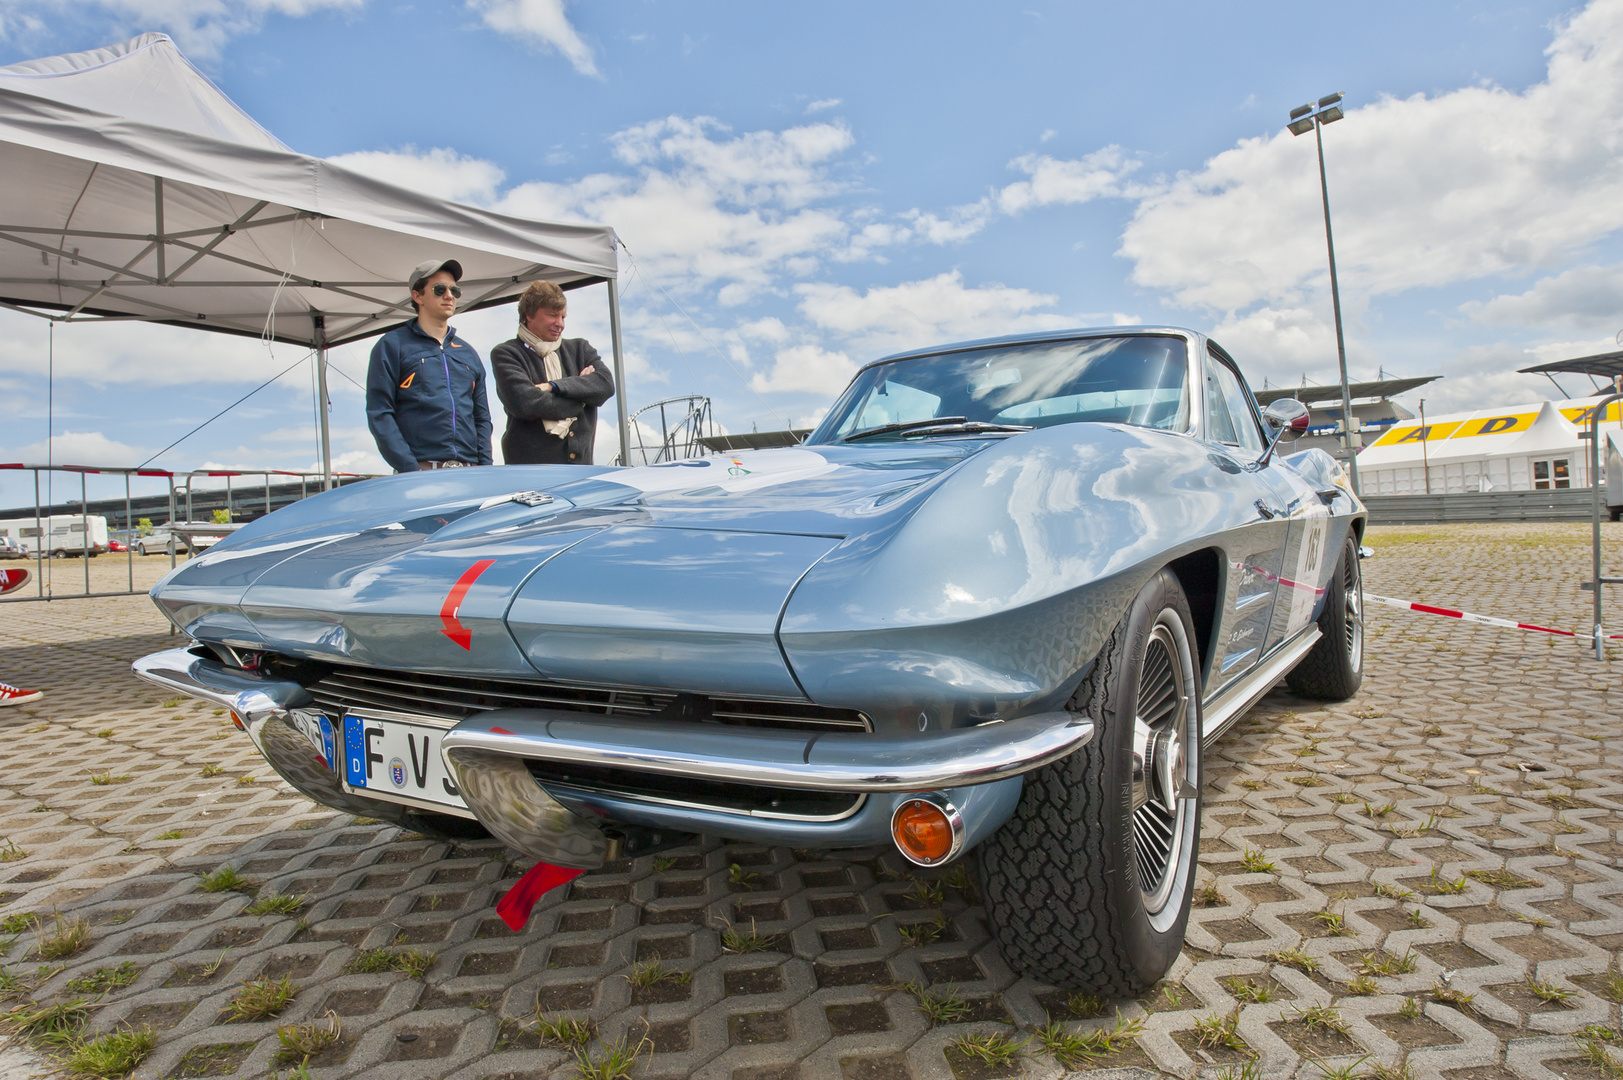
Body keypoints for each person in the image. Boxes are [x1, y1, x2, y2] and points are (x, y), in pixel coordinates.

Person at [366, 258, 493, 472]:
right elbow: (380, 414)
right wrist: (411, 470)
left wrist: (485, 468)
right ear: (417, 296)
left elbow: (482, 418)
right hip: (420, 474)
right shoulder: (391, 346)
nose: (449, 295)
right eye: (439, 289)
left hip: (470, 474)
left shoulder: (468, 353)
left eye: (455, 290)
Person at [490, 281, 615, 465]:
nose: (560, 324)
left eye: (563, 317)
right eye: (552, 315)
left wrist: (553, 386)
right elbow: (525, 403)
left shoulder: (580, 349)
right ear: (529, 315)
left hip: (580, 471)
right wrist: (582, 397)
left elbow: (605, 385)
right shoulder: (506, 354)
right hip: (529, 474)